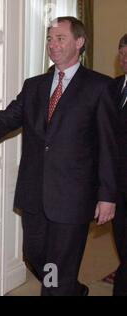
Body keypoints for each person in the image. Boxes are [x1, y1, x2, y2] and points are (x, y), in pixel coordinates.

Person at [0, 16, 118, 296]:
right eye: (49, 39)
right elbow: (9, 116)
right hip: (34, 192)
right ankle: (71, 288)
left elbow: (108, 146)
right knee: (34, 254)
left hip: (73, 196)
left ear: (79, 43)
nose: (52, 45)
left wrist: (108, 195)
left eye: (60, 39)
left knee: (56, 271)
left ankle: (62, 289)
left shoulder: (100, 87)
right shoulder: (35, 86)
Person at [111, 33, 127, 296]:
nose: (124, 58)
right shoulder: (112, 87)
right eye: (122, 52)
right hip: (116, 183)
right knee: (122, 242)